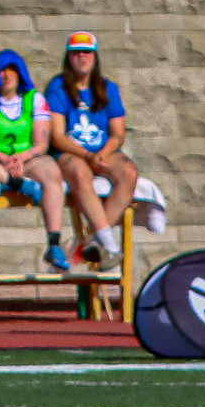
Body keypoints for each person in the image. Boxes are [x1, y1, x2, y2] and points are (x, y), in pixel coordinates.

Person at [0, 48, 71, 272]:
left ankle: (55, 244)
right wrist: (4, 158)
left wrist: (21, 157)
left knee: (52, 172)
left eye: (12, 70)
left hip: (26, 158)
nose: (6, 75)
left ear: (20, 74)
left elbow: (41, 143)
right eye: (1, 71)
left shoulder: (34, 99)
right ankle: (17, 183)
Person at [45, 31, 138, 265]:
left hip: (101, 149)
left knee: (129, 173)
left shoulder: (109, 88)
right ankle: (110, 245)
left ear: (95, 57)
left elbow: (118, 133)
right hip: (71, 152)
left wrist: (102, 154)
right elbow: (57, 136)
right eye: (76, 53)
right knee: (80, 172)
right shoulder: (57, 88)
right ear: (69, 58)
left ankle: (93, 240)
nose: (82, 58)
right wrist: (87, 155)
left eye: (86, 52)